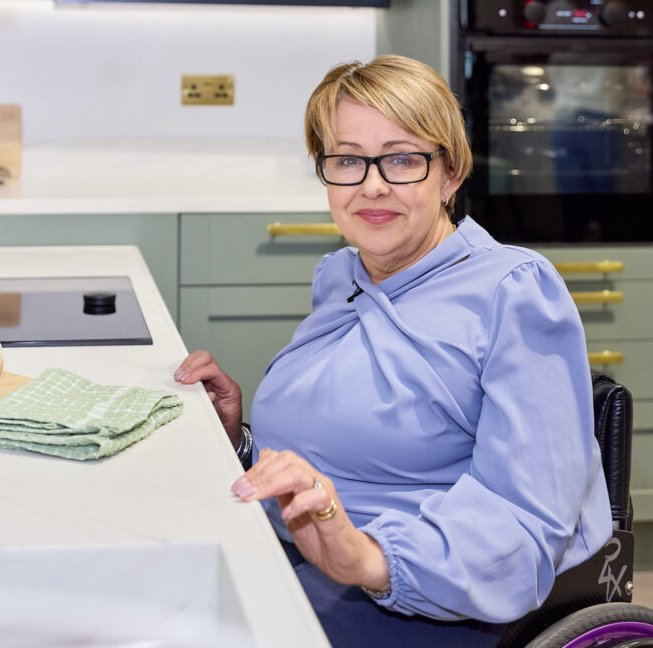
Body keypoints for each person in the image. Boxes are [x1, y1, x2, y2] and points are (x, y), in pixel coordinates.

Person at [173, 55, 612, 647]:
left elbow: (527, 520)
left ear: (450, 174)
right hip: (291, 555)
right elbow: (339, 456)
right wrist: (240, 441)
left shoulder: (512, 291)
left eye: (403, 159)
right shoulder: (345, 278)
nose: (371, 184)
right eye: (348, 160)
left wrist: (370, 558)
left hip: (430, 602)